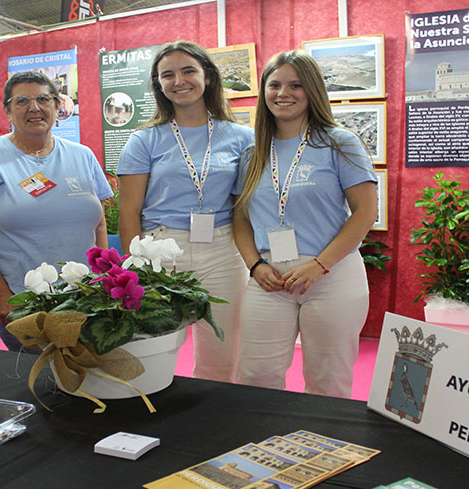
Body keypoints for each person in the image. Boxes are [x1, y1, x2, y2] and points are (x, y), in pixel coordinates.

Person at [232, 50, 378, 397]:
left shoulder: (340, 143)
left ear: (312, 90)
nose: (284, 93)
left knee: (328, 380)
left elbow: (365, 213)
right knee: (255, 376)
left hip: (331, 276)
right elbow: (240, 216)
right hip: (270, 279)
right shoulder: (253, 154)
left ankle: (324, 446)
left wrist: (319, 266)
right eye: (275, 85)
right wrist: (254, 265)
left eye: (295, 85)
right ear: (264, 92)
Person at [116, 41, 254, 382]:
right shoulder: (144, 140)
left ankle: (213, 416)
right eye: (168, 75)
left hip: (223, 247)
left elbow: (245, 207)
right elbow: (129, 211)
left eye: (188, 70)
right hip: (160, 247)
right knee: (151, 341)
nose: (179, 80)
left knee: (222, 346)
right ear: (159, 85)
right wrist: (136, 265)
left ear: (207, 76)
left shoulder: (242, 137)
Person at [0, 70, 112, 352]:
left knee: (92, 381)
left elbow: (98, 223)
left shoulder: (82, 155)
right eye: (22, 101)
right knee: (42, 384)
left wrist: (103, 277)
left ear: (57, 105)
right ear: (7, 111)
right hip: (24, 301)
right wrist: (1, 295)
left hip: (85, 297)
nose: (34, 107)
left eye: (43, 99)